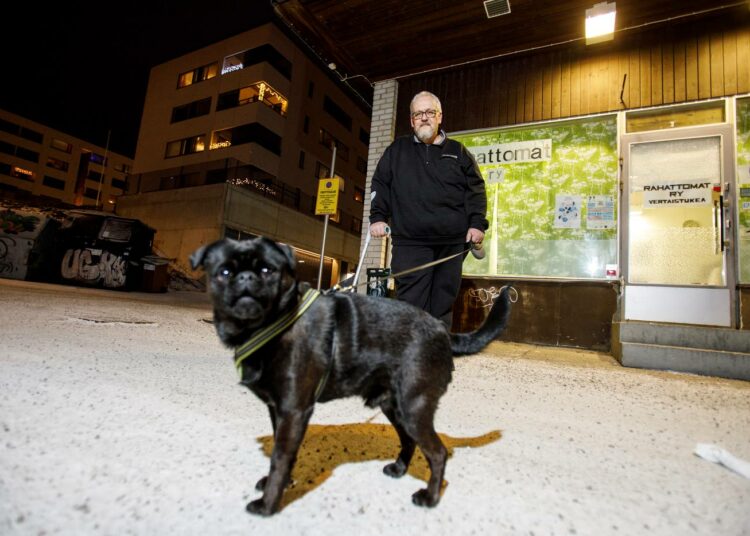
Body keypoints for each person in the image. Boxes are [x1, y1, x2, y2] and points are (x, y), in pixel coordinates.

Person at [369, 90, 488, 328]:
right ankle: (410, 358)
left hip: (451, 243)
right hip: (410, 242)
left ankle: (436, 358)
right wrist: (378, 217)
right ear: (412, 120)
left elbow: (475, 189)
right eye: (418, 114)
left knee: (442, 304)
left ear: (439, 116)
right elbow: (380, 184)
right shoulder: (397, 150)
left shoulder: (459, 152)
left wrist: (477, 224)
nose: (424, 117)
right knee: (410, 305)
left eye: (429, 112)